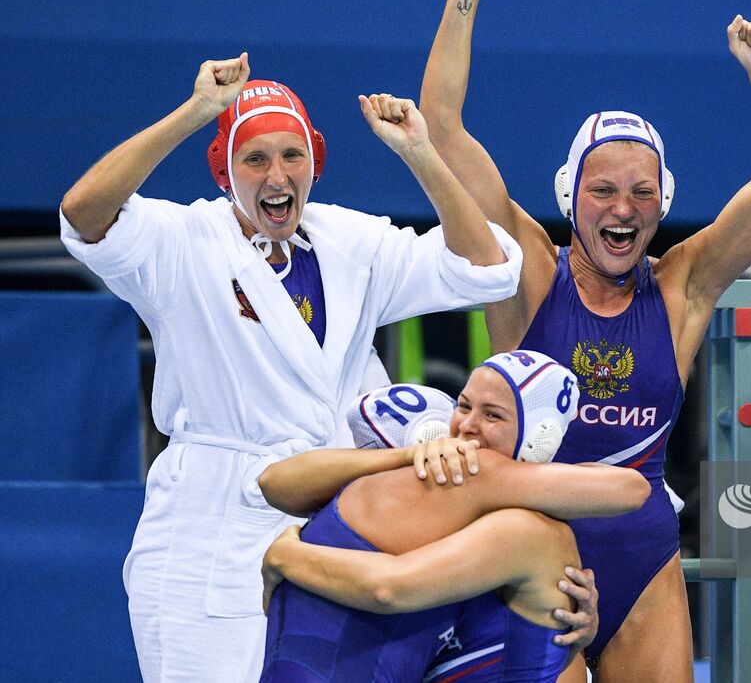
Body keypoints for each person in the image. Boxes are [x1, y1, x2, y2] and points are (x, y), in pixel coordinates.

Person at [418, 0, 751, 681]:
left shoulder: (682, 285)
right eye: (602, 191)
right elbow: (440, 124)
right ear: (570, 196)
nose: (622, 209)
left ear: (663, 203)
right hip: (532, 551)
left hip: (643, 563)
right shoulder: (528, 268)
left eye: (640, 192)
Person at [59, 59, 523, 681]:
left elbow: (486, 268)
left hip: (325, 526)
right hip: (210, 529)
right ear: (224, 169)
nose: (277, 176)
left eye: (291, 156)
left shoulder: (349, 243)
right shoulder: (183, 241)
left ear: (315, 163)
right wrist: (195, 113)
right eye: (254, 160)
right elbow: (83, 216)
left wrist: (420, 154)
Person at [259, 351, 651, 681]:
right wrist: (285, 557)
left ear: (538, 434)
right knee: (550, 564)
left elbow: (275, 483)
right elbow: (387, 588)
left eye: (492, 415)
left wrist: (574, 625)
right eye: (463, 406)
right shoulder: (470, 480)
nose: (466, 427)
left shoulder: (484, 509)